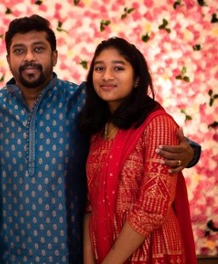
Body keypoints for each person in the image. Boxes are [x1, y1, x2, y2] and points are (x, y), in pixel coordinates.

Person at [0, 15, 200, 263]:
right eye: (19, 50)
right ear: (8, 59)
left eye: (38, 49)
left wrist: (191, 153)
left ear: (55, 56)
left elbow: (144, 125)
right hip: (3, 251)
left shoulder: (81, 100)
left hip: (69, 252)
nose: (29, 57)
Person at [78, 37, 196, 264]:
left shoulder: (158, 124)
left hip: (152, 251)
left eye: (118, 68)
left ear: (136, 79)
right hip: (103, 250)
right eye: (99, 68)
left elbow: (152, 208)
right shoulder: (96, 131)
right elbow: (90, 203)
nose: (106, 76)